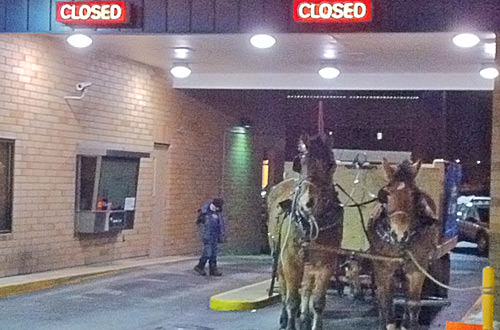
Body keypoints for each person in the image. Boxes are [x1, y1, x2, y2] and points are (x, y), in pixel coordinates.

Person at [194, 198, 226, 276]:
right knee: (207, 253)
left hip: (214, 235)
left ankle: (213, 269)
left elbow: (220, 224)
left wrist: (221, 235)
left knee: (214, 253)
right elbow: (199, 222)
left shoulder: (217, 212)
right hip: (207, 235)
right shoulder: (205, 210)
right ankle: (200, 266)